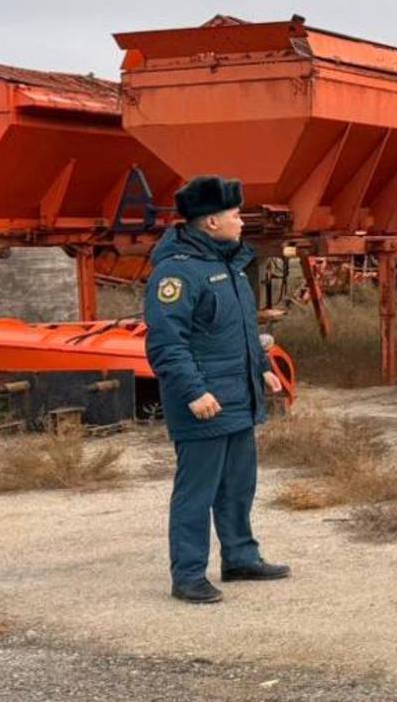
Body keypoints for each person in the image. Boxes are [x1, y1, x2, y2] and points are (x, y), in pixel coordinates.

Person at [144, 175, 289, 604]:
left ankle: (241, 557)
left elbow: (240, 331)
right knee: (197, 492)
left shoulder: (227, 265)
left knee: (238, 485)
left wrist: (261, 368)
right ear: (210, 223)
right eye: (235, 215)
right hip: (204, 404)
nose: (242, 222)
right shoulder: (177, 274)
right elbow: (166, 343)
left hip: (239, 398)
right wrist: (193, 392)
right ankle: (188, 575)